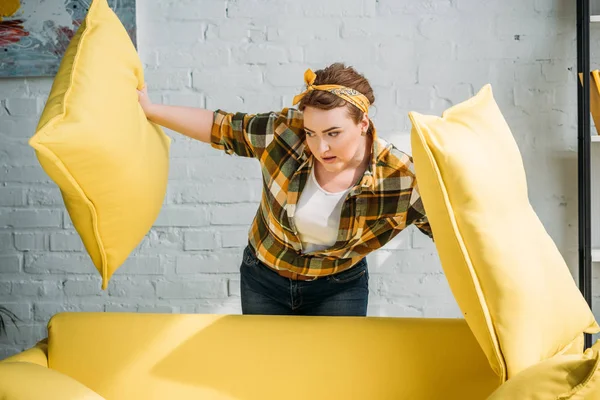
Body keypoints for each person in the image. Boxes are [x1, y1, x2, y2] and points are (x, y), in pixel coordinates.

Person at [138, 63, 433, 317]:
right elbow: (222, 128)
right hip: (263, 280)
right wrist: (150, 110)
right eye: (311, 133)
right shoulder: (285, 132)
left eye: (333, 133)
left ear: (363, 123)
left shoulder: (401, 178)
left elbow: (452, 234)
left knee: (333, 375)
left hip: (338, 290)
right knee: (268, 371)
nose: (321, 147)